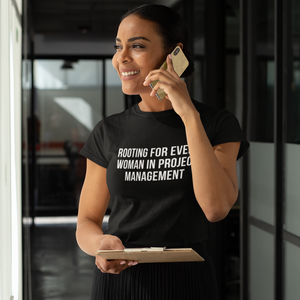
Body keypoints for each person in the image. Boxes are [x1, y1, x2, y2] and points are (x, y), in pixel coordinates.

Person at [76, 4, 249, 300]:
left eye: (138, 46)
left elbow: (216, 207)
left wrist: (188, 114)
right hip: (120, 282)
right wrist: (100, 244)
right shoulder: (108, 131)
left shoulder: (217, 123)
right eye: (119, 47)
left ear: (175, 54)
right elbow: (86, 221)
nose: (122, 58)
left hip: (187, 282)